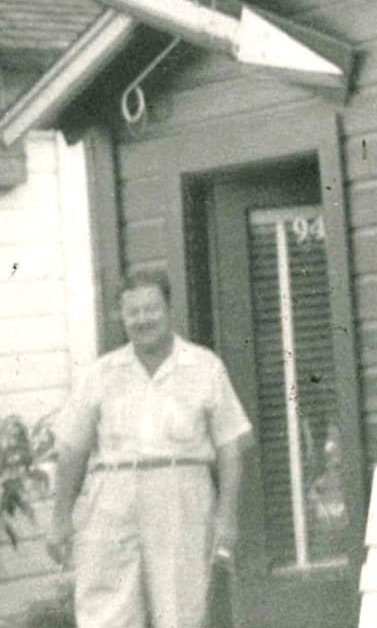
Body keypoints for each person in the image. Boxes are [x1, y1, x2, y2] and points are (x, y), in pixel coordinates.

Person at [46, 269, 252, 628]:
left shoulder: (204, 367)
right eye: (133, 312)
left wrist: (227, 515)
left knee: (179, 609)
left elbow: (231, 448)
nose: (143, 319)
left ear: (169, 310)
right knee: (106, 611)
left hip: (181, 492)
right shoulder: (102, 373)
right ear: (121, 317)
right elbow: (72, 452)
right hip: (112, 496)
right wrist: (60, 518)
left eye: (151, 309)